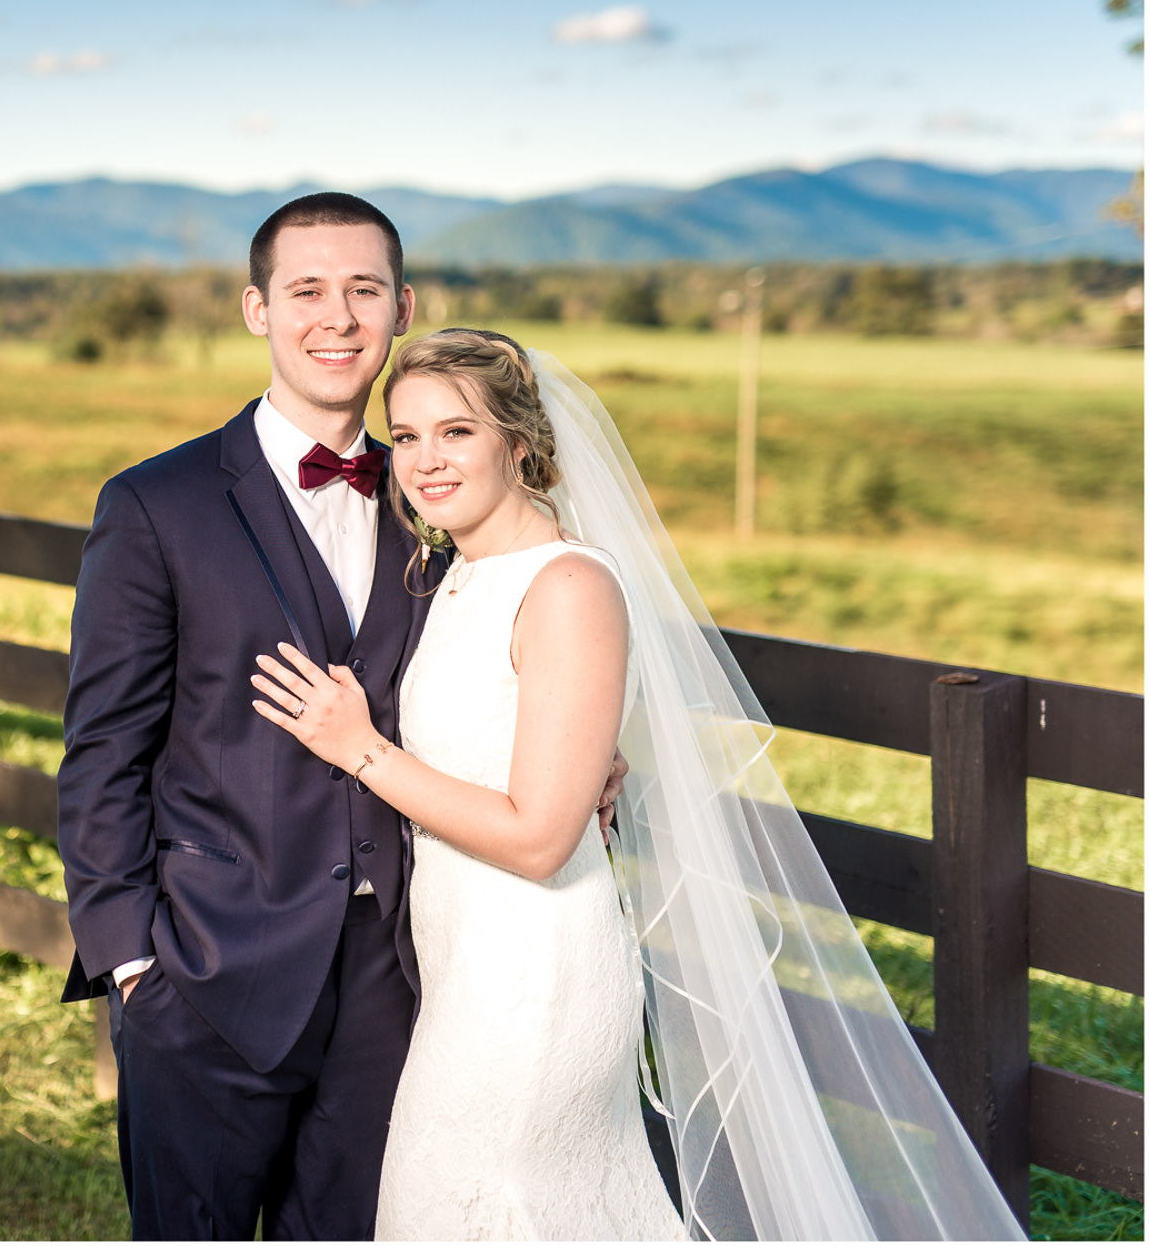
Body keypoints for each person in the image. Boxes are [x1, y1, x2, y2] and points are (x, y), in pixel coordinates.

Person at [252, 329, 1021, 1240]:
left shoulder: (568, 585)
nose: (424, 461)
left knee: (471, 1199)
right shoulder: (463, 572)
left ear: (521, 444)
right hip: (467, 969)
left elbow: (539, 838)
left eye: (456, 433)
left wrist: (362, 750)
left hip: (534, 979)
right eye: (408, 435)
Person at [56, 192, 439, 1238]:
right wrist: (130, 961)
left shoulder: (437, 502)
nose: (337, 317)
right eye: (305, 290)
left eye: (363, 289)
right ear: (255, 309)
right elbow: (101, 751)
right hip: (204, 967)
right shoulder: (155, 505)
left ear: (401, 307)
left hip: (393, 978)